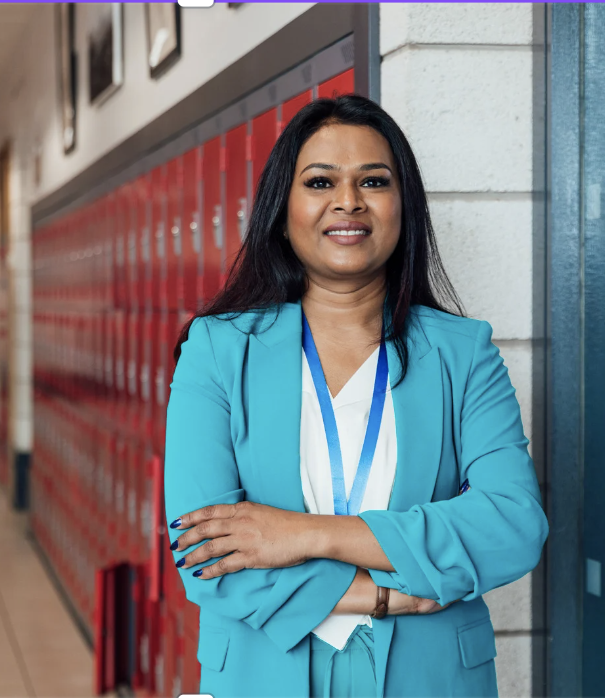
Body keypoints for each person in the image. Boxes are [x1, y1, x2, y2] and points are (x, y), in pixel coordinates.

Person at [163, 94, 548, 698]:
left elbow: (512, 525)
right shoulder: (217, 351)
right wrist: (381, 595)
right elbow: (204, 552)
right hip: (261, 673)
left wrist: (306, 533)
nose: (349, 201)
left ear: (404, 205)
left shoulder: (462, 353)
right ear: (282, 208)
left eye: (374, 181)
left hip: (432, 677)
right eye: (320, 181)